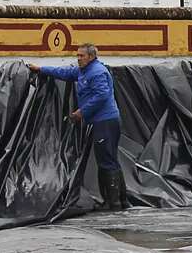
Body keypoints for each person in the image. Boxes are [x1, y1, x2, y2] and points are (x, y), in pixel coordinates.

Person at [26, 44, 128, 211]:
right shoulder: (82, 70)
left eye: (82, 56)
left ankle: (114, 203)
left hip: (105, 122)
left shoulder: (97, 72)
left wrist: (81, 112)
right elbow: (64, 73)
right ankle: (121, 201)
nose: (78, 58)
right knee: (110, 159)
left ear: (91, 57)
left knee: (107, 161)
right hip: (102, 121)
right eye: (78, 55)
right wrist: (41, 69)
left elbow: (101, 96)